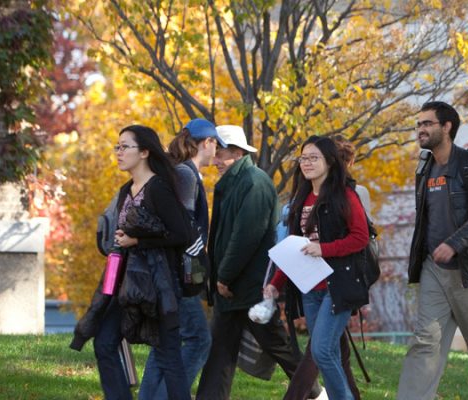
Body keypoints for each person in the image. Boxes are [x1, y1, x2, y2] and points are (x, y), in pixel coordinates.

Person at [71, 125, 193, 400]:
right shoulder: (127, 189)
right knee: (104, 343)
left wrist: (137, 242)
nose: (118, 152)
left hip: (158, 284)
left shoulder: (158, 188)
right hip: (124, 281)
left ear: (145, 152)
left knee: (168, 355)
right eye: (117, 146)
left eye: (125, 146)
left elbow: (181, 235)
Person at [397, 101, 468, 400]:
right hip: (434, 268)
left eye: (427, 123)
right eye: (419, 124)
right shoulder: (424, 167)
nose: (421, 129)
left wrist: (454, 244)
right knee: (425, 342)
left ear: (447, 127)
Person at [196, 125, 308, 400]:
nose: (216, 161)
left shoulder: (254, 182)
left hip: (247, 285)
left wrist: (223, 277)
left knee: (276, 344)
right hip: (235, 286)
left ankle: (315, 392)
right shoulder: (236, 182)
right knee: (220, 352)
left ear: (237, 152)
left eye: (221, 154)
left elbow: (245, 236)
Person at [264, 135, 369, 400]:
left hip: (339, 286)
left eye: (314, 158)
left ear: (330, 162)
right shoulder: (301, 198)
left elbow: (360, 237)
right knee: (328, 352)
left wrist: (324, 249)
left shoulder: (345, 195)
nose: (307, 163)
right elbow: (295, 248)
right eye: (303, 158)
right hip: (310, 287)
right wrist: (276, 284)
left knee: (321, 351)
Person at [138, 118, 221, 400]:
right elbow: (182, 229)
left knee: (165, 343)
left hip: (167, 272)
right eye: (216, 145)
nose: (217, 153)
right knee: (199, 339)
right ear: (207, 143)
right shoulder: (186, 175)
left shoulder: (178, 172)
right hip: (177, 274)